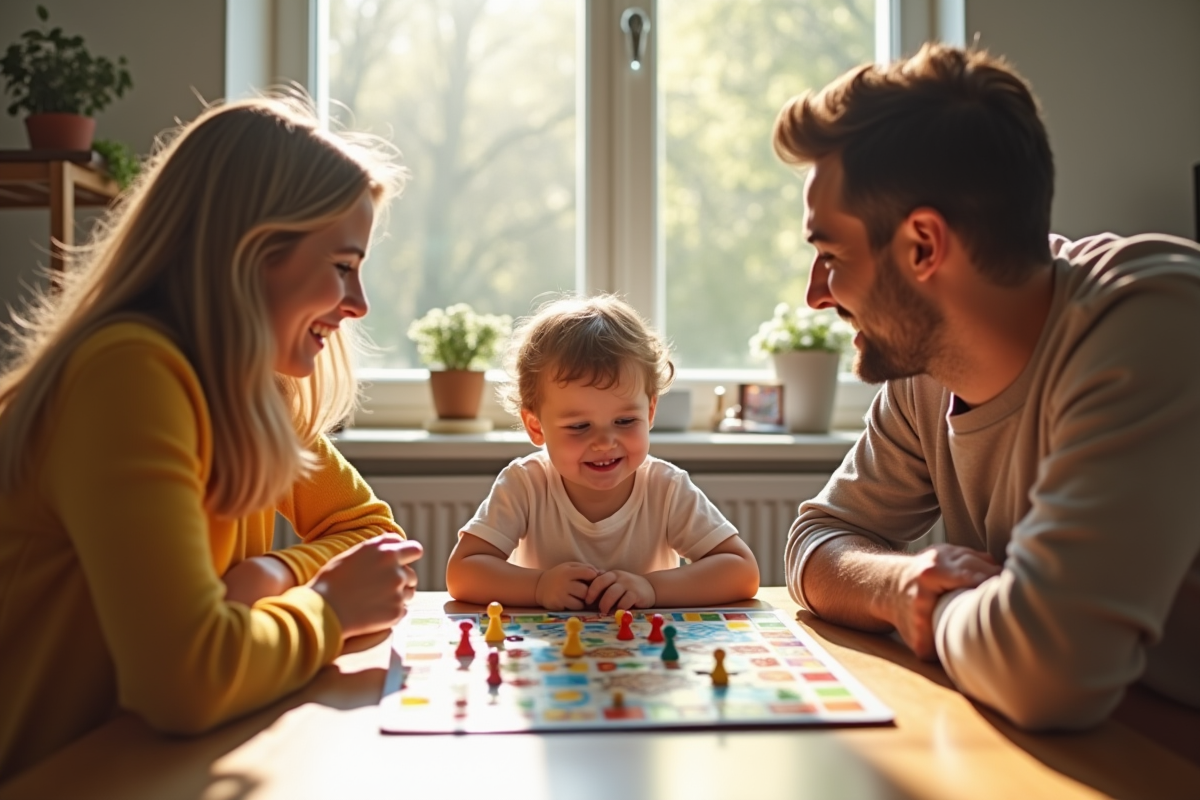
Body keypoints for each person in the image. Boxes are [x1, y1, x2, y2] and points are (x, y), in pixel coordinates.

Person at [775, 43, 1200, 731]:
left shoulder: (1156, 318)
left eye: (830, 255)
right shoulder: (925, 370)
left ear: (922, 246)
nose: (816, 295)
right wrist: (900, 585)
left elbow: (1047, 670)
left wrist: (935, 611)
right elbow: (817, 539)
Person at [0, 95, 424, 780]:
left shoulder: (250, 389)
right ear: (253, 252)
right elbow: (184, 681)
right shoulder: (128, 374)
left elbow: (368, 529)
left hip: (152, 764)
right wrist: (326, 609)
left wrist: (272, 572)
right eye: (343, 265)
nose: (359, 304)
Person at [444, 295, 760, 614]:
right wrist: (538, 587)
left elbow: (741, 572)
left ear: (650, 411)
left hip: (646, 656)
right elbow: (462, 574)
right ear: (536, 426)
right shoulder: (524, 484)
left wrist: (652, 588)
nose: (605, 443)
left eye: (624, 421)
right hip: (549, 658)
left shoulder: (667, 488)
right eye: (580, 426)